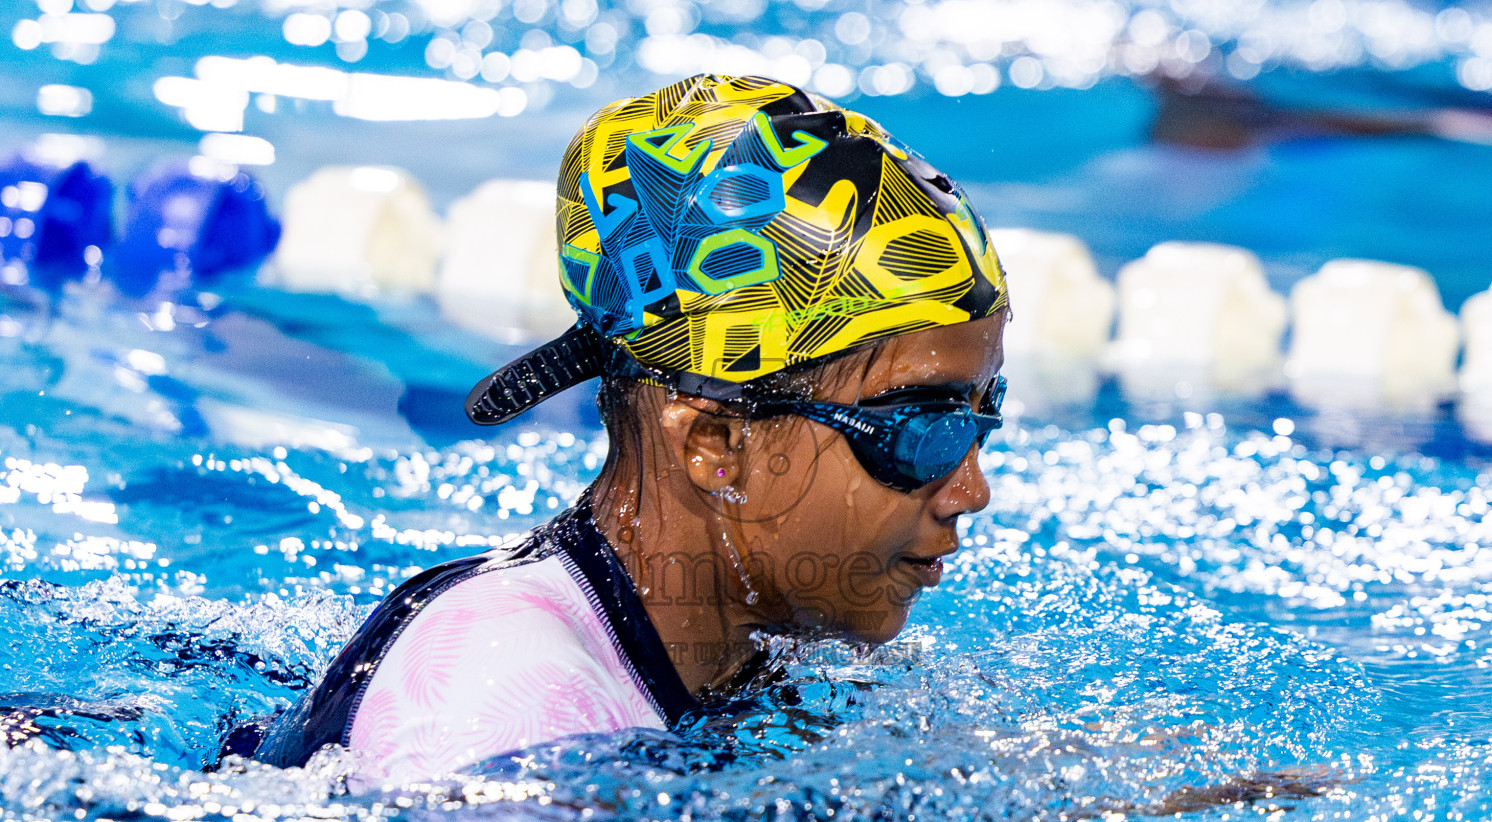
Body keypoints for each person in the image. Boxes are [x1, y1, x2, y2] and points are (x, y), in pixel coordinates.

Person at [249, 74, 1010, 786]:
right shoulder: (503, 695)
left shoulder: (762, 644)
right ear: (715, 444)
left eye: (985, 411)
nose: (970, 489)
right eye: (922, 427)